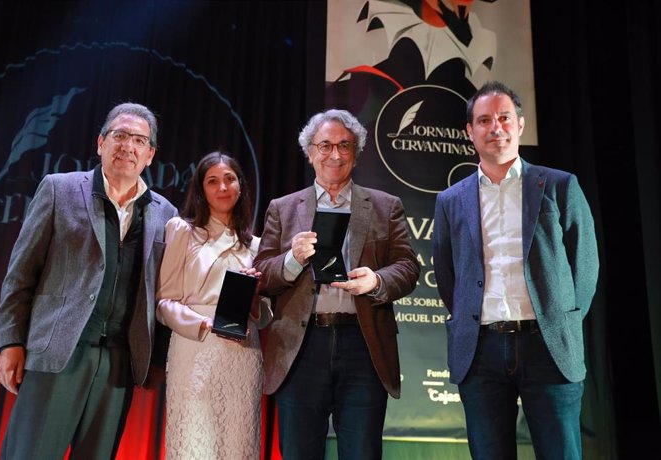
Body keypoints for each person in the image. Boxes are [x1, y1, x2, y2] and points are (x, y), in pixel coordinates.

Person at [0, 102, 178, 459]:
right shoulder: (59, 189)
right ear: (100, 143)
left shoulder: (166, 213)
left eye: (139, 140)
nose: (128, 146)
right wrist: (10, 342)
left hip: (119, 363)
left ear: (150, 154)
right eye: (119, 135)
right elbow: (20, 273)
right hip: (58, 351)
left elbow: (163, 294)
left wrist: (156, 360)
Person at [432, 80, 599, 459]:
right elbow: (447, 275)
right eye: (485, 120)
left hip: (549, 345)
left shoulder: (559, 186)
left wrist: (564, 320)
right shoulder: (450, 200)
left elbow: (585, 265)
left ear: (520, 125)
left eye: (505, 118)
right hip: (481, 349)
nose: (496, 128)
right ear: (469, 132)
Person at [254, 109, 420, 459]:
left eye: (345, 145)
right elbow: (261, 277)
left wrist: (377, 280)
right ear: (310, 152)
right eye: (325, 145)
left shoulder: (385, 206)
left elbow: (407, 267)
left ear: (356, 154)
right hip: (300, 348)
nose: (335, 154)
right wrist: (292, 259)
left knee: (362, 452)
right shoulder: (282, 209)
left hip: (364, 345)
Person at [156, 151, 269, 459]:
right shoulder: (182, 230)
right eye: (213, 181)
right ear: (201, 189)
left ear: (241, 186)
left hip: (242, 352)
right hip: (194, 348)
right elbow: (163, 301)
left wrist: (256, 295)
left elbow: (263, 316)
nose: (222, 188)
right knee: (195, 441)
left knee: (237, 441)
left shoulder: (257, 246)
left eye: (229, 179)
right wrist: (201, 324)